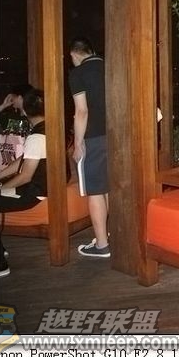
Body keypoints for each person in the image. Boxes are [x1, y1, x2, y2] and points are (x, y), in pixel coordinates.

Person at [0, 88, 47, 277]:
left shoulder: (36, 137)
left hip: (33, 192)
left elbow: (25, 176)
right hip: (39, 187)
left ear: (25, 109)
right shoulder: (47, 128)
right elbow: (23, 159)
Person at [68, 37, 110, 258]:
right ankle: (110, 235)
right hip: (118, 136)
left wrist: (77, 143)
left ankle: (102, 245)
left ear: (74, 54)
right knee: (109, 187)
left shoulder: (78, 73)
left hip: (94, 138)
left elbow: (82, 111)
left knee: (95, 191)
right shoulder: (110, 66)